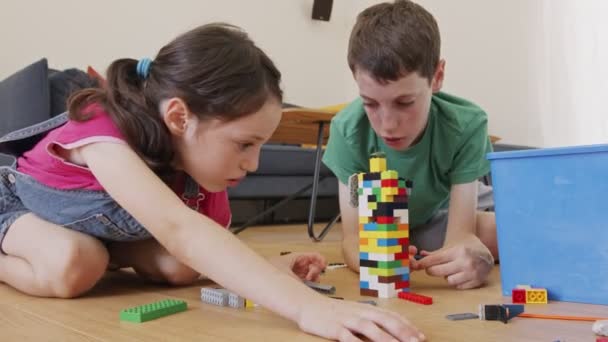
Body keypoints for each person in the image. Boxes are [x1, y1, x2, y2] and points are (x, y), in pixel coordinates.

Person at [0, 23, 424, 341]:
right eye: (244, 144)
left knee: (183, 267)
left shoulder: (202, 178)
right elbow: (181, 230)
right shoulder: (104, 132)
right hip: (19, 205)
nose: (253, 163)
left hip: (97, 233)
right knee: (74, 263)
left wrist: (268, 272)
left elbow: (207, 249)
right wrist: (309, 309)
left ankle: (106, 256)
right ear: (180, 117)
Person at [322, 0, 498, 290]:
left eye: (404, 102)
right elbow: (353, 239)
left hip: (458, 202)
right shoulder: (348, 130)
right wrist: (377, 261)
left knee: (518, 229)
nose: (387, 124)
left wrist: (470, 257)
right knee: (440, 240)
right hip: (405, 227)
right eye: (370, 103)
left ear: (437, 77)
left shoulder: (468, 123)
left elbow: (460, 237)